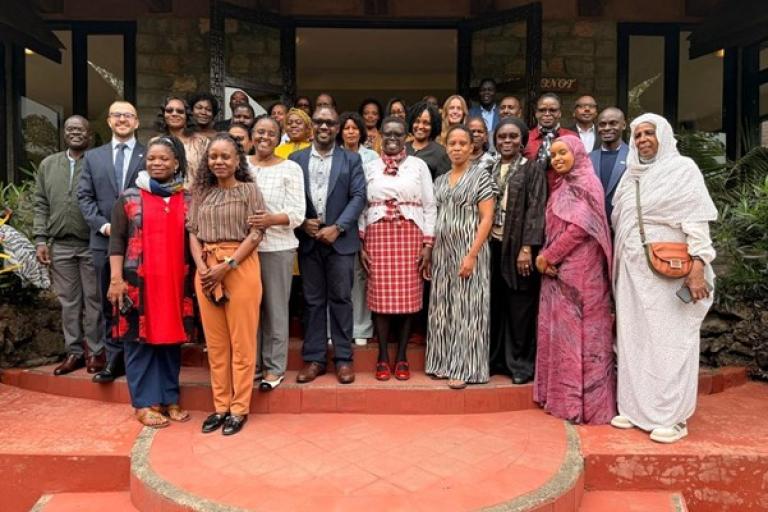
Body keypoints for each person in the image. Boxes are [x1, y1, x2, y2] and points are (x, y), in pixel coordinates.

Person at [611, 113, 717, 443]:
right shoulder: (631, 175)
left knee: (669, 341)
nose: (643, 139)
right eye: (638, 134)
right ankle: (634, 409)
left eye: (649, 133)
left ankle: (671, 417)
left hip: (671, 270)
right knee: (634, 338)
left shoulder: (682, 169)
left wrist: (698, 266)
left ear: (664, 136)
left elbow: (697, 221)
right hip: (633, 272)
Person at [107, 136, 194, 428]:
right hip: (137, 283)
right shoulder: (129, 197)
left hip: (175, 283)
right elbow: (117, 242)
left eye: (164, 159)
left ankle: (169, 398)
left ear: (176, 163)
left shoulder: (188, 198)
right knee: (139, 342)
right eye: (152, 159)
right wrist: (116, 279)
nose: (157, 163)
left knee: (171, 341)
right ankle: (144, 402)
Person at [534, 135, 615, 425]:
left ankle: (583, 405)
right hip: (560, 270)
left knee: (581, 337)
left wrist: (548, 256)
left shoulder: (587, 183)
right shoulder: (563, 184)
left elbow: (580, 228)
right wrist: (549, 257)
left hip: (582, 273)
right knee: (563, 336)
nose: (557, 159)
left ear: (577, 153)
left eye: (562, 153)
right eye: (553, 154)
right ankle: (561, 398)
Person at [188, 133, 266, 436]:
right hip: (206, 270)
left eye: (225, 157)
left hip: (240, 267)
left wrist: (228, 265)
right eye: (213, 157)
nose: (218, 161)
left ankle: (239, 408)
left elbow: (257, 234)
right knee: (216, 345)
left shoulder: (249, 191)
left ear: (237, 161)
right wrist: (203, 267)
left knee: (242, 343)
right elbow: (192, 232)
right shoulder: (201, 192)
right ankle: (220, 406)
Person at [290, 107, 366, 384]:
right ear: (313, 126)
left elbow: (358, 196)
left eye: (330, 122)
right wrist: (302, 222)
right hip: (309, 241)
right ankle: (314, 359)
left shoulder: (351, 160)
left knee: (341, 300)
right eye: (319, 121)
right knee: (312, 303)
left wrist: (339, 227)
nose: (324, 126)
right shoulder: (296, 160)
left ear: (337, 127)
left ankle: (344, 359)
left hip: (341, 241)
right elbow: (291, 197)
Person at [359, 116, 436, 381]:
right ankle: (382, 356)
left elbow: (429, 205)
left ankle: (401, 356)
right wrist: (361, 244)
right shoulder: (369, 166)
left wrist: (428, 244)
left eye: (398, 134)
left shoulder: (418, 165)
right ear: (380, 135)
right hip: (378, 235)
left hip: (410, 235)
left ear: (406, 137)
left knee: (407, 299)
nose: (393, 138)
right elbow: (362, 205)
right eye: (388, 134)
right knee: (381, 298)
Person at [78, 101, 146, 384]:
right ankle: (113, 359)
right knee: (108, 301)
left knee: (137, 301)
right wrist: (104, 225)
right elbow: (84, 197)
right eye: (117, 115)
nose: (122, 120)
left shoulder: (149, 155)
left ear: (137, 122)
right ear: (108, 121)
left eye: (128, 115)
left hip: (139, 243)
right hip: (102, 240)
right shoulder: (94, 157)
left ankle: (135, 359)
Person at [425, 125, 496, 389]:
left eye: (462, 143)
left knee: (469, 309)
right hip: (443, 251)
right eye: (452, 143)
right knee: (443, 308)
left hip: (470, 250)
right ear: (446, 146)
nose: (456, 148)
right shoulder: (440, 180)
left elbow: (487, 217)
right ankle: (442, 363)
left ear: (471, 147)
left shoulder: (481, 177)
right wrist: (431, 253)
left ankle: (465, 368)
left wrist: (472, 254)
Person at [34, 115, 104, 376]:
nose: (75, 133)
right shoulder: (48, 165)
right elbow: (41, 203)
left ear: (89, 135)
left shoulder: (97, 163)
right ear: (64, 134)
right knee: (68, 303)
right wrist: (40, 239)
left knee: (95, 301)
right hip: (61, 245)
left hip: (92, 243)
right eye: (70, 129)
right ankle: (74, 352)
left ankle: (96, 352)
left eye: (81, 130)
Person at [246, 116, 305, 391]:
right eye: (259, 132)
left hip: (277, 248)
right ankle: (252, 365)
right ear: (251, 135)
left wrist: (270, 220)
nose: (264, 137)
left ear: (279, 137)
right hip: (243, 250)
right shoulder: (241, 165)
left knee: (275, 310)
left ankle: (274, 367)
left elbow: (298, 214)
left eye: (271, 133)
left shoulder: (290, 168)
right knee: (248, 311)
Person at [488, 118, 546, 385]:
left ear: (522, 140)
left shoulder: (531, 169)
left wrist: (527, 248)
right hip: (492, 246)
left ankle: (520, 364)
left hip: (517, 248)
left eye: (513, 136)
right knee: (495, 305)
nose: (507, 141)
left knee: (519, 307)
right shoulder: (489, 168)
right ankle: (496, 359)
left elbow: (535, 210)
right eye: (502, 137)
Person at [337, 111, 378, 344]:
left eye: (355, 128)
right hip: (340, 223)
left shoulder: (372, 157)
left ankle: (361, 329)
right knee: (340, 279)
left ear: (361, 132)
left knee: (362, 276)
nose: (351, 132)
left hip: (366, 220)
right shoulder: (334, 155)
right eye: (346, 128)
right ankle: (338, 330)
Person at [524, 93, 577, 189]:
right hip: (530, 194)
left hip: (562, 193)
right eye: (542, 110)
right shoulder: (526, 137)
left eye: (552, 110)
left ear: (559, 113)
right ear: (536, 113)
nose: (547, 114)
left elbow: (580, 169)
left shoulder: (571, 137)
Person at [155, 96, 209, 187]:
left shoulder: (201, 141)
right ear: (163, 115)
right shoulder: (156, 142)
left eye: (180, 111)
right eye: (169, 110)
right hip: (165, 197)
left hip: (197, 196)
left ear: (187, 116)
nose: (174, 114)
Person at [589, 107, 628, 222]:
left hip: (624, 225)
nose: (607, 128)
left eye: (613, 123)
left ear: (624, 125)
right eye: (602, 124)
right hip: (595, 226)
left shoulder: (634, 157)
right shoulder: (588, 158)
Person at [405, 100, 451, 180]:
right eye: (417, 121)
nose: (420, 126)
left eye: (426, 123)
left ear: (433, 126)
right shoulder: (402, 148)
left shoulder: (441, 154)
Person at [469, 78, 500, 150]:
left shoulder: (502, 113)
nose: (486, 93)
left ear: (495, 92)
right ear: (479, 93)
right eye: (483, 90)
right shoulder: (471, 113)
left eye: (490, 90)